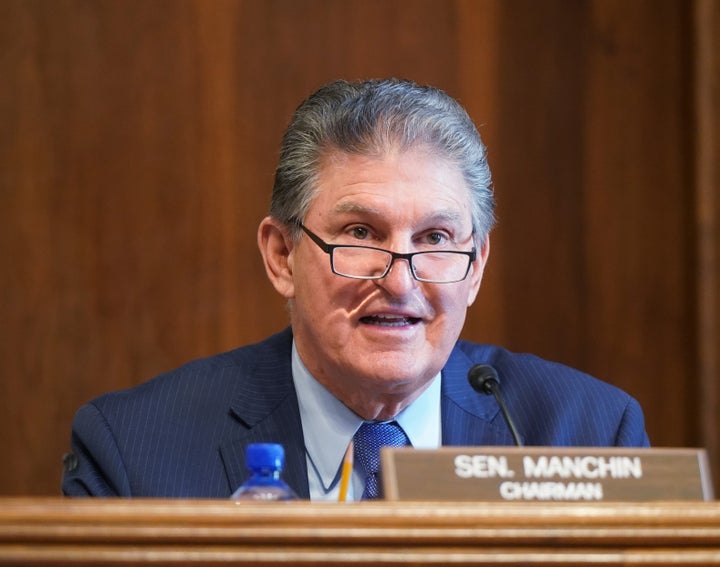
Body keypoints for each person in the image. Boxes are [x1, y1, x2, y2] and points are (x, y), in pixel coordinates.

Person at [62, 78, 649, 500]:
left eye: (436, 237)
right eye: (361, 233)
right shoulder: (134, 456)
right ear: (281, 256)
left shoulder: (591, 434)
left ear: (476, 265)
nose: (399, 281)